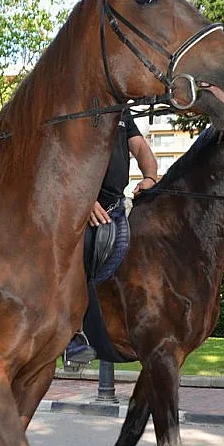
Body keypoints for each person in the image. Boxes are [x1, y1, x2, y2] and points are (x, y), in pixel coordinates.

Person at [64, 108, 159, 365]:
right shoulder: (79, 107)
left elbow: (139, 149)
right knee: (77, 255)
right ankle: (72, 335)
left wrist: (150, 176)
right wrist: (84, 199)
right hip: (79, 206)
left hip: (116, 206)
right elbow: (62, 157)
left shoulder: (122, 113)